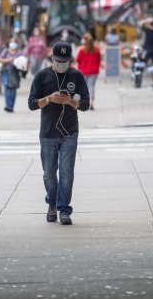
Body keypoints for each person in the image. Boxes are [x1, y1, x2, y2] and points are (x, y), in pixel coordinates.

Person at [27, 41, 90, 226]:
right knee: (48, 173)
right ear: (52, 58)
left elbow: (86, 104)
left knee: (67, 172)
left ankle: (63, 209)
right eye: (59, 61)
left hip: (70, 132)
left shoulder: (76, 76)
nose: (62, 64)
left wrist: (72, 102)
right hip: (48, 133)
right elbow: (31, 104)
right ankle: (52, 203)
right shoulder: (42, 76)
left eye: (66, 61)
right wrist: (48, 99)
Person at [75, 33, 101, 110]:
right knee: (91, 86)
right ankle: (92, 103)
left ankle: (80, 103)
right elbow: (98, 60)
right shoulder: (96, 50)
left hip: (83, 71)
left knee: (82, 87)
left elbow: (78, 60)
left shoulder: (82, 50)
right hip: (94, 71)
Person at [0, 39, 25, 112]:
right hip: (6, 71)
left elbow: (24, 62)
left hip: (15, 72)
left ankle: (11, 106)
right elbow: (0, 59)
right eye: (11, 42)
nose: (13, 44)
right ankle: (8, 105)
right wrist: (9, 60)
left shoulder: (19, 53)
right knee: (7, 87)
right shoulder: (6, 51)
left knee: (13, 88)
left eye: (14, 42)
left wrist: (16, 62)